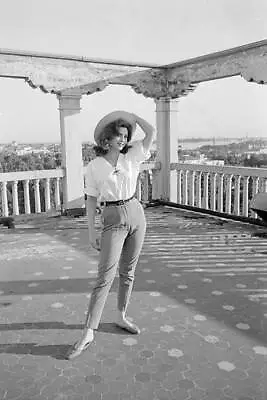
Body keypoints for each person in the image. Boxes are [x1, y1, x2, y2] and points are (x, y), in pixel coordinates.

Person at [67, 110, 154, 360]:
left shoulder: (133, 155)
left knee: (128, 271)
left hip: (137, 214)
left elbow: (152, 132)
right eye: (119, 135)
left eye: (126, 135)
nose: (124, 140)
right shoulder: (94, 166)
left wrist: (133, 117)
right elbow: (92, 200)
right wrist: (91, 230)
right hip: (112, 218)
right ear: (107, 139)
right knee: (104, 276)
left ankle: (121, 316)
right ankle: (88, 331)